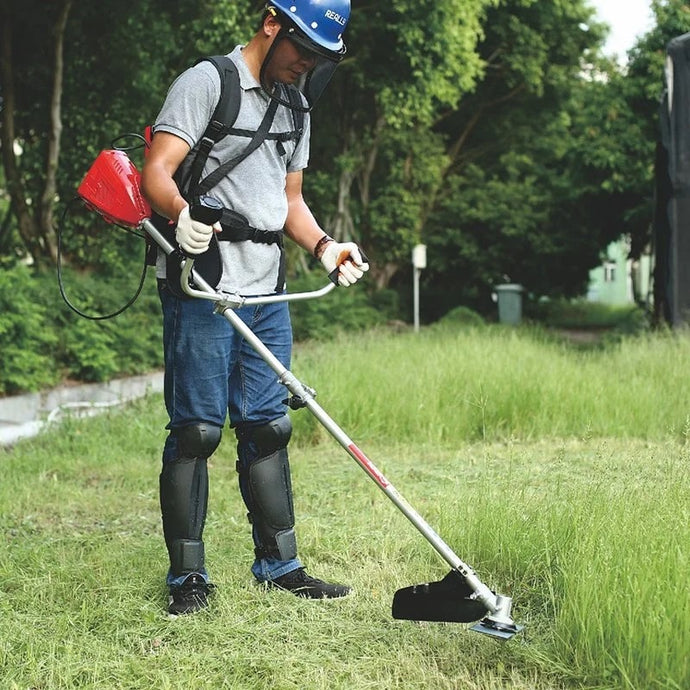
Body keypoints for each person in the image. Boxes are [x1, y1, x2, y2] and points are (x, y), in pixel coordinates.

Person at [141, 0, 368, 616]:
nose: (306, 66)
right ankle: (188, 577)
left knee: (268, 425)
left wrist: (323, 246)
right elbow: (156, 170)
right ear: (273, 23)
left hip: (266, 289)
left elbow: (288, 196)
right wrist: (180, 214)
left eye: (321, 59)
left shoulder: (296, 104)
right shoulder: (207, 82)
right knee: (196, 430)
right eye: (304, 51)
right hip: (204, 284)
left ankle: (281, 566)